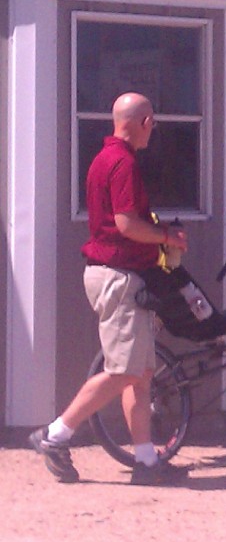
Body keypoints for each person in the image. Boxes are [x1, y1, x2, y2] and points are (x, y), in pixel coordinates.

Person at [29, 92, 191, 486]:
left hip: (113, 274)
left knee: (141, 373)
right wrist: (169, 237)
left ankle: (147, 462)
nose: (153, 130)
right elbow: (126, 224)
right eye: (152, 122)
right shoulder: (123, 163)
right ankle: (55, 435)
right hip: (118, 276)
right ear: (145, 122)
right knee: (122, 371)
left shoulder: (104, 159)